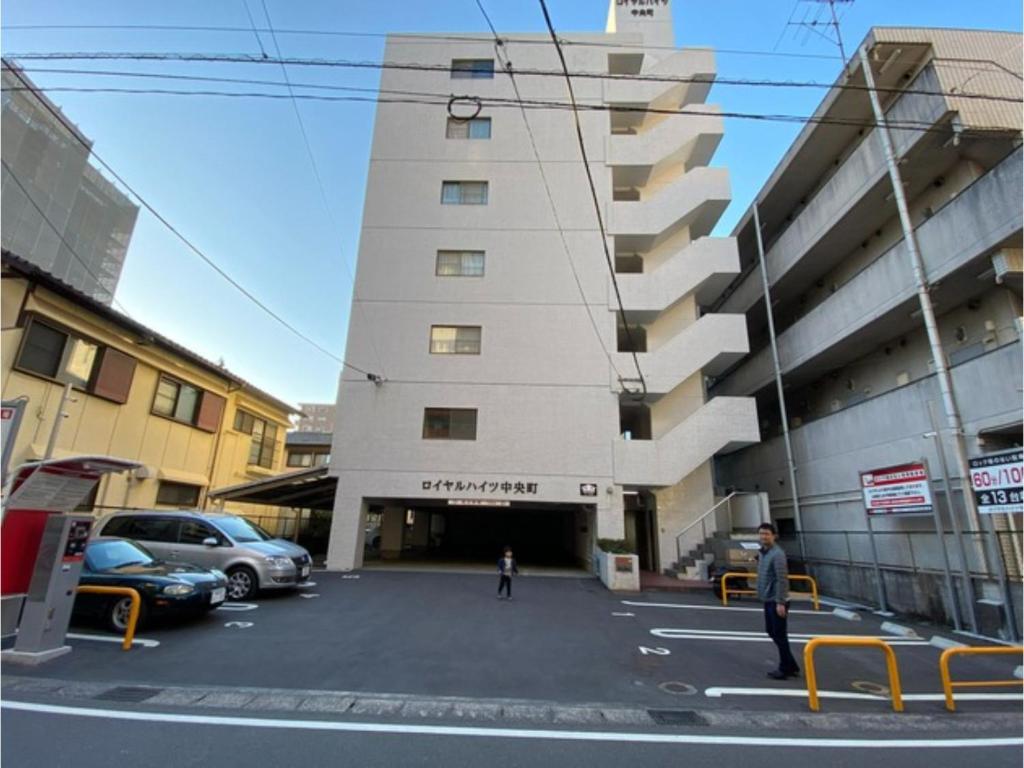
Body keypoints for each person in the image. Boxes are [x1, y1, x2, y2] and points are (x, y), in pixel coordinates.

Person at [757, 522, 800, 680]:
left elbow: (782, 579)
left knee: (779, 634)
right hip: (768, 598)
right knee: (772, 631)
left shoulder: (777, 554)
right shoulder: (763, 552)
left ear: (774, 536)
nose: (763, 536)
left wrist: (781, 602)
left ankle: (785, 668)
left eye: (767, 534)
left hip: (776, 600)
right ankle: (791, 664)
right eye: (761, 533)